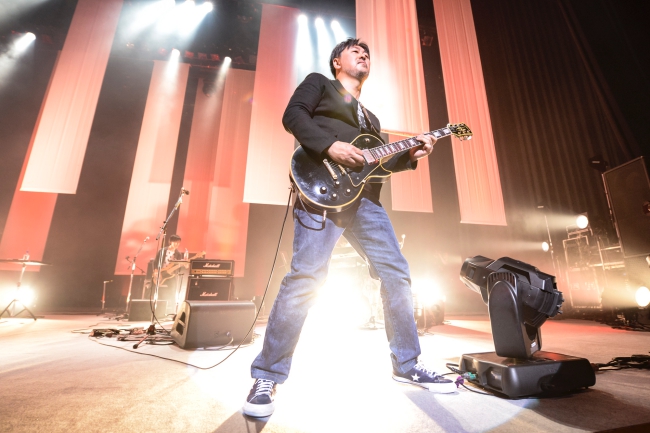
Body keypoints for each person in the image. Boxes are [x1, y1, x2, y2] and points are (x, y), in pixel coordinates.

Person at [243, 38, 456, 418]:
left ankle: (407, 364)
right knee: (306, 276)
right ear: (337, 62)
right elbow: (293, 116)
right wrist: (329, 146)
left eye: (367, 52)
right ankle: (267, 375)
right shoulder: (319, 84)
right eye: (354, 50)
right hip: (320, 191)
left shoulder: (370, 119)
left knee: (396, 273)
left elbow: (379, 164)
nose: (363, 54)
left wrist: (411, 154)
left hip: (365, 203)